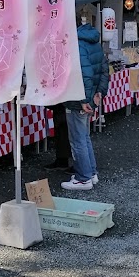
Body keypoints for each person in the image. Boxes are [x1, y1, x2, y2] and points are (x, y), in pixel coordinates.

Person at [61, 16, 109, 191]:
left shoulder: (77, 44)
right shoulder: (93, 40)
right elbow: (104, 69)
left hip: (78, 99)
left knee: (78, 139)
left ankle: (83, 178)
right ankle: (91, 172)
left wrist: (83, 100)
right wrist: (99, 93)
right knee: (85, 137)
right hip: (90, 97)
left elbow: (84, 75)